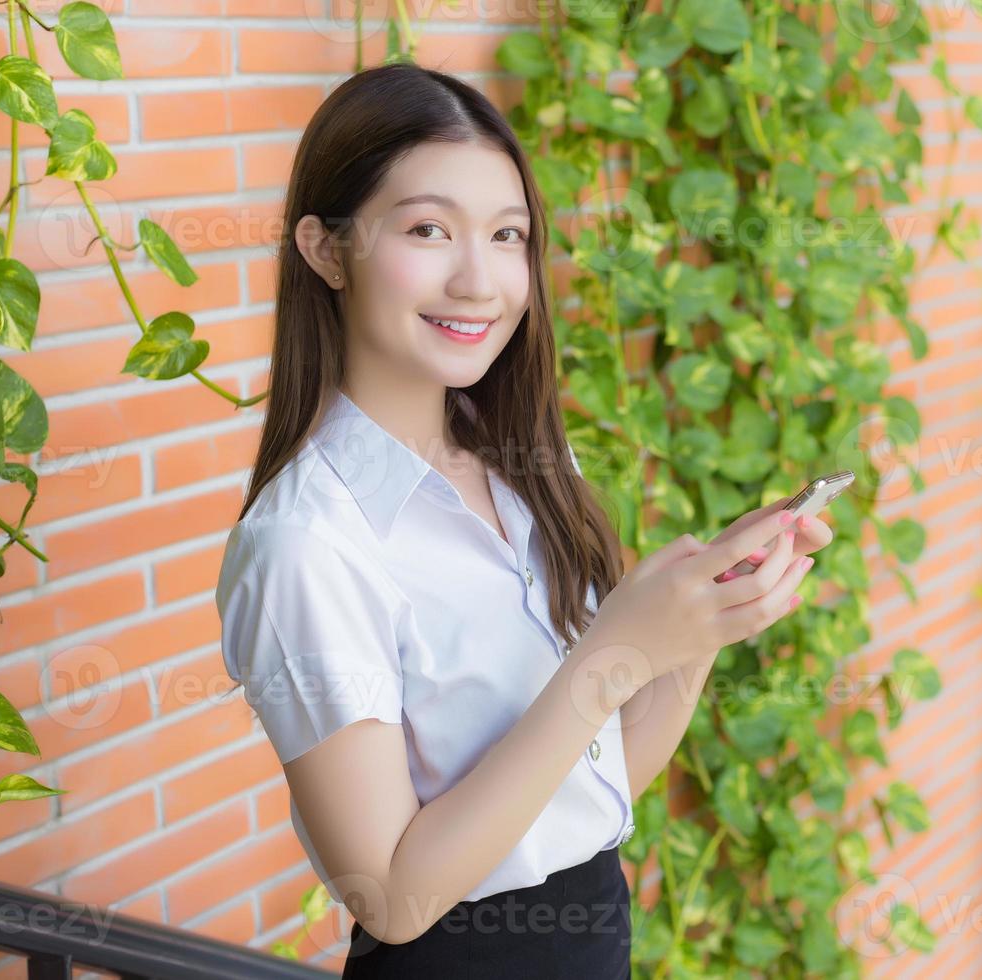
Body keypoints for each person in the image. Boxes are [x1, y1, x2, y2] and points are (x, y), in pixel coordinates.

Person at [213, 62, 828, 978]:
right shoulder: (308, 542)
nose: (480, 279)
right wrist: (608, 658)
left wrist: (697, 628)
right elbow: (390, 897)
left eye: (509, 236)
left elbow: (592, 787)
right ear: (326, 249)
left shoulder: (526, 471)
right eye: (428, 229)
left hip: (591, 937)